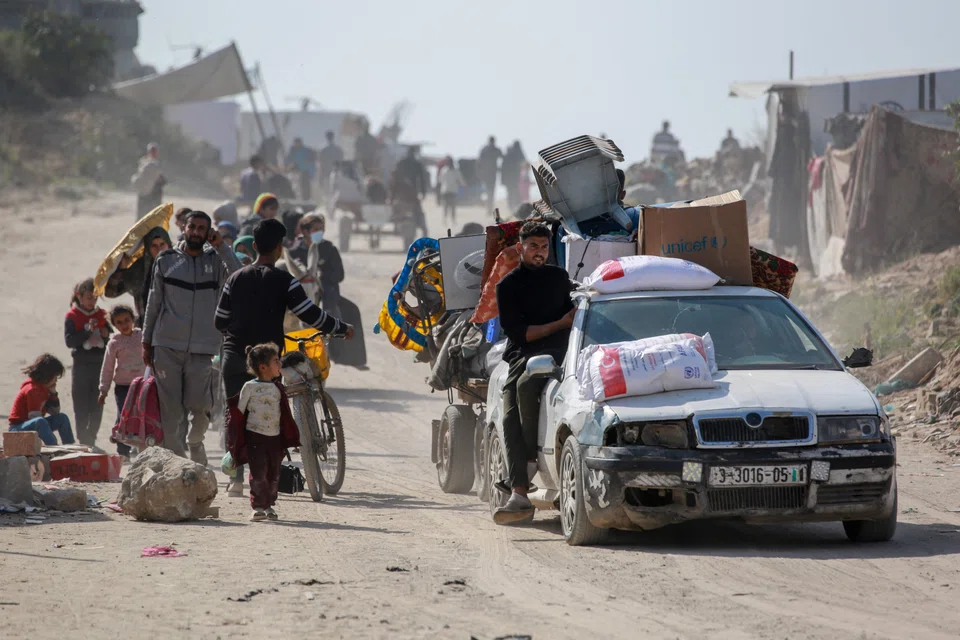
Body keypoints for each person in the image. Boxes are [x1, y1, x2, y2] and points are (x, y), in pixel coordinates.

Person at [215, 218, 353, 497]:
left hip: (235, 358)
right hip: (266, 363)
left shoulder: (234, 278)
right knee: (267, 423)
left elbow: (220, 321)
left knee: (238, 418)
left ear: (254, 246)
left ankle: (237, 480)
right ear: (279, 248)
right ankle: (263, 484)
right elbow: (312, 315)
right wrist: (342, 328)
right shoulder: (284, 281)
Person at [142, 210, 242, 463]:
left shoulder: (217, 260)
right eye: (192, 227)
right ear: (184, 229)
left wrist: (222, 246)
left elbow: (240, 278)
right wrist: (146, 340)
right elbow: (153, 302)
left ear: (208, 232)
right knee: (172, 412)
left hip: (203, 348)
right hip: (166, 345)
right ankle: (179, 465)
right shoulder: (166, 260)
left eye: (202, 228)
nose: (196, 232)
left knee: (200, 408)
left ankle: (195, 442)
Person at [493, 221, 575, 523]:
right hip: (523, 354)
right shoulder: (508, 286)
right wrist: (559, 325)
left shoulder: (560, 277)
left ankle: (528, 465)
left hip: (562, 352)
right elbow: (520, 334)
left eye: (544, 247)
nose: (539, 253)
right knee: (512, 406)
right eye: (533, 247)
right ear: (520, 248)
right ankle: (518, 489)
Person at [234, 343, 295, 521]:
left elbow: (285, 415)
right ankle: (257, 506)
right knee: (258, 474)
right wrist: (237, 442)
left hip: (274, 438)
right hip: (255, 437)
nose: (280, 365)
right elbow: (239, 414)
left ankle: (269, 506)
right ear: (263, 367)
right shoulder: (249, 387)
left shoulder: (277, 388)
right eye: (276, 361)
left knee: (274, 474)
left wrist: (289, 438)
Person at [65, 278, 111, 446]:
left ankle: (92, 435)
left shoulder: (102, 315)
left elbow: (109, 338)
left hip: (99, 363)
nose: (92, 301)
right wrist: (86, 333)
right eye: (89, 298)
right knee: (81, 402)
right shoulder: (72, 316)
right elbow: (69, 341)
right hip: (81, 365)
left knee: (97, 401)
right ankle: (82, 437)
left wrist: (105, 334)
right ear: (80, 297)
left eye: (95, 298)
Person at [97, 305, 142, 457]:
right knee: (124, 415)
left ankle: (143, 447)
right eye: (119, 322)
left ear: (133, 319)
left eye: (127, 320)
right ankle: (123, 451)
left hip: (144, 385)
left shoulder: (142, 336)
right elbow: (108, 367)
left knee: (143, 414)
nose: (124, 325)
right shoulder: (114, 343)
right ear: (114, 325)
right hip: (123, 387)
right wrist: (104, 390)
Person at [8, 354, 74, 446]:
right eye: (54, 377)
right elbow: (34, 418)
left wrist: (53, 394)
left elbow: (55, 412)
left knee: (62, 418)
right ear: (47, 376)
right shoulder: (32, 390)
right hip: (17, 429)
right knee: (40, 421)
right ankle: (54, 448)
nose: (56, 380)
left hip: (35, 424)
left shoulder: (44, 389)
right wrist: (51, 437)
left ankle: (70, 447)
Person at [132, 143, 166, 219]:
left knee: (145, 216)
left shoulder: (144, 162)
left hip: (147, 194)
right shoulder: (148, 163)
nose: (154, 153)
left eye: (154, 151)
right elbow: (162, 180)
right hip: (151, 194)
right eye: (153, 151)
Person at [478, 136, 502, 216]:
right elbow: (502, 156)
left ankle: (489, 209)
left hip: (488, 174)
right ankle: (489, 208)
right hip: (490, 174)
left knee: (489, 192)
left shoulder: (485, 149)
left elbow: (479, 162)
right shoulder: (493, 149)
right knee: (490, 192)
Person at [438, 156, 465, 226]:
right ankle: (451, 220)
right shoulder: (455, 171)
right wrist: (464, 185)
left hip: (446, 191)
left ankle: (446, 220)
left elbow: (440, 180)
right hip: (451, 191)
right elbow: (461, 180)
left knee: (446, 207)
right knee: (451, 207)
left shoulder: (444, 170)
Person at [501, 141, 526, 211]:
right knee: (514, 191)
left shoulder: (507, 155)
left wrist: (503, 180)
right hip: (514, 177)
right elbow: (523, 161)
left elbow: (503, 168)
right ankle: (515, 206)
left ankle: (512, 206)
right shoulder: (517, 152)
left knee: (510, 192)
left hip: (508, 178)